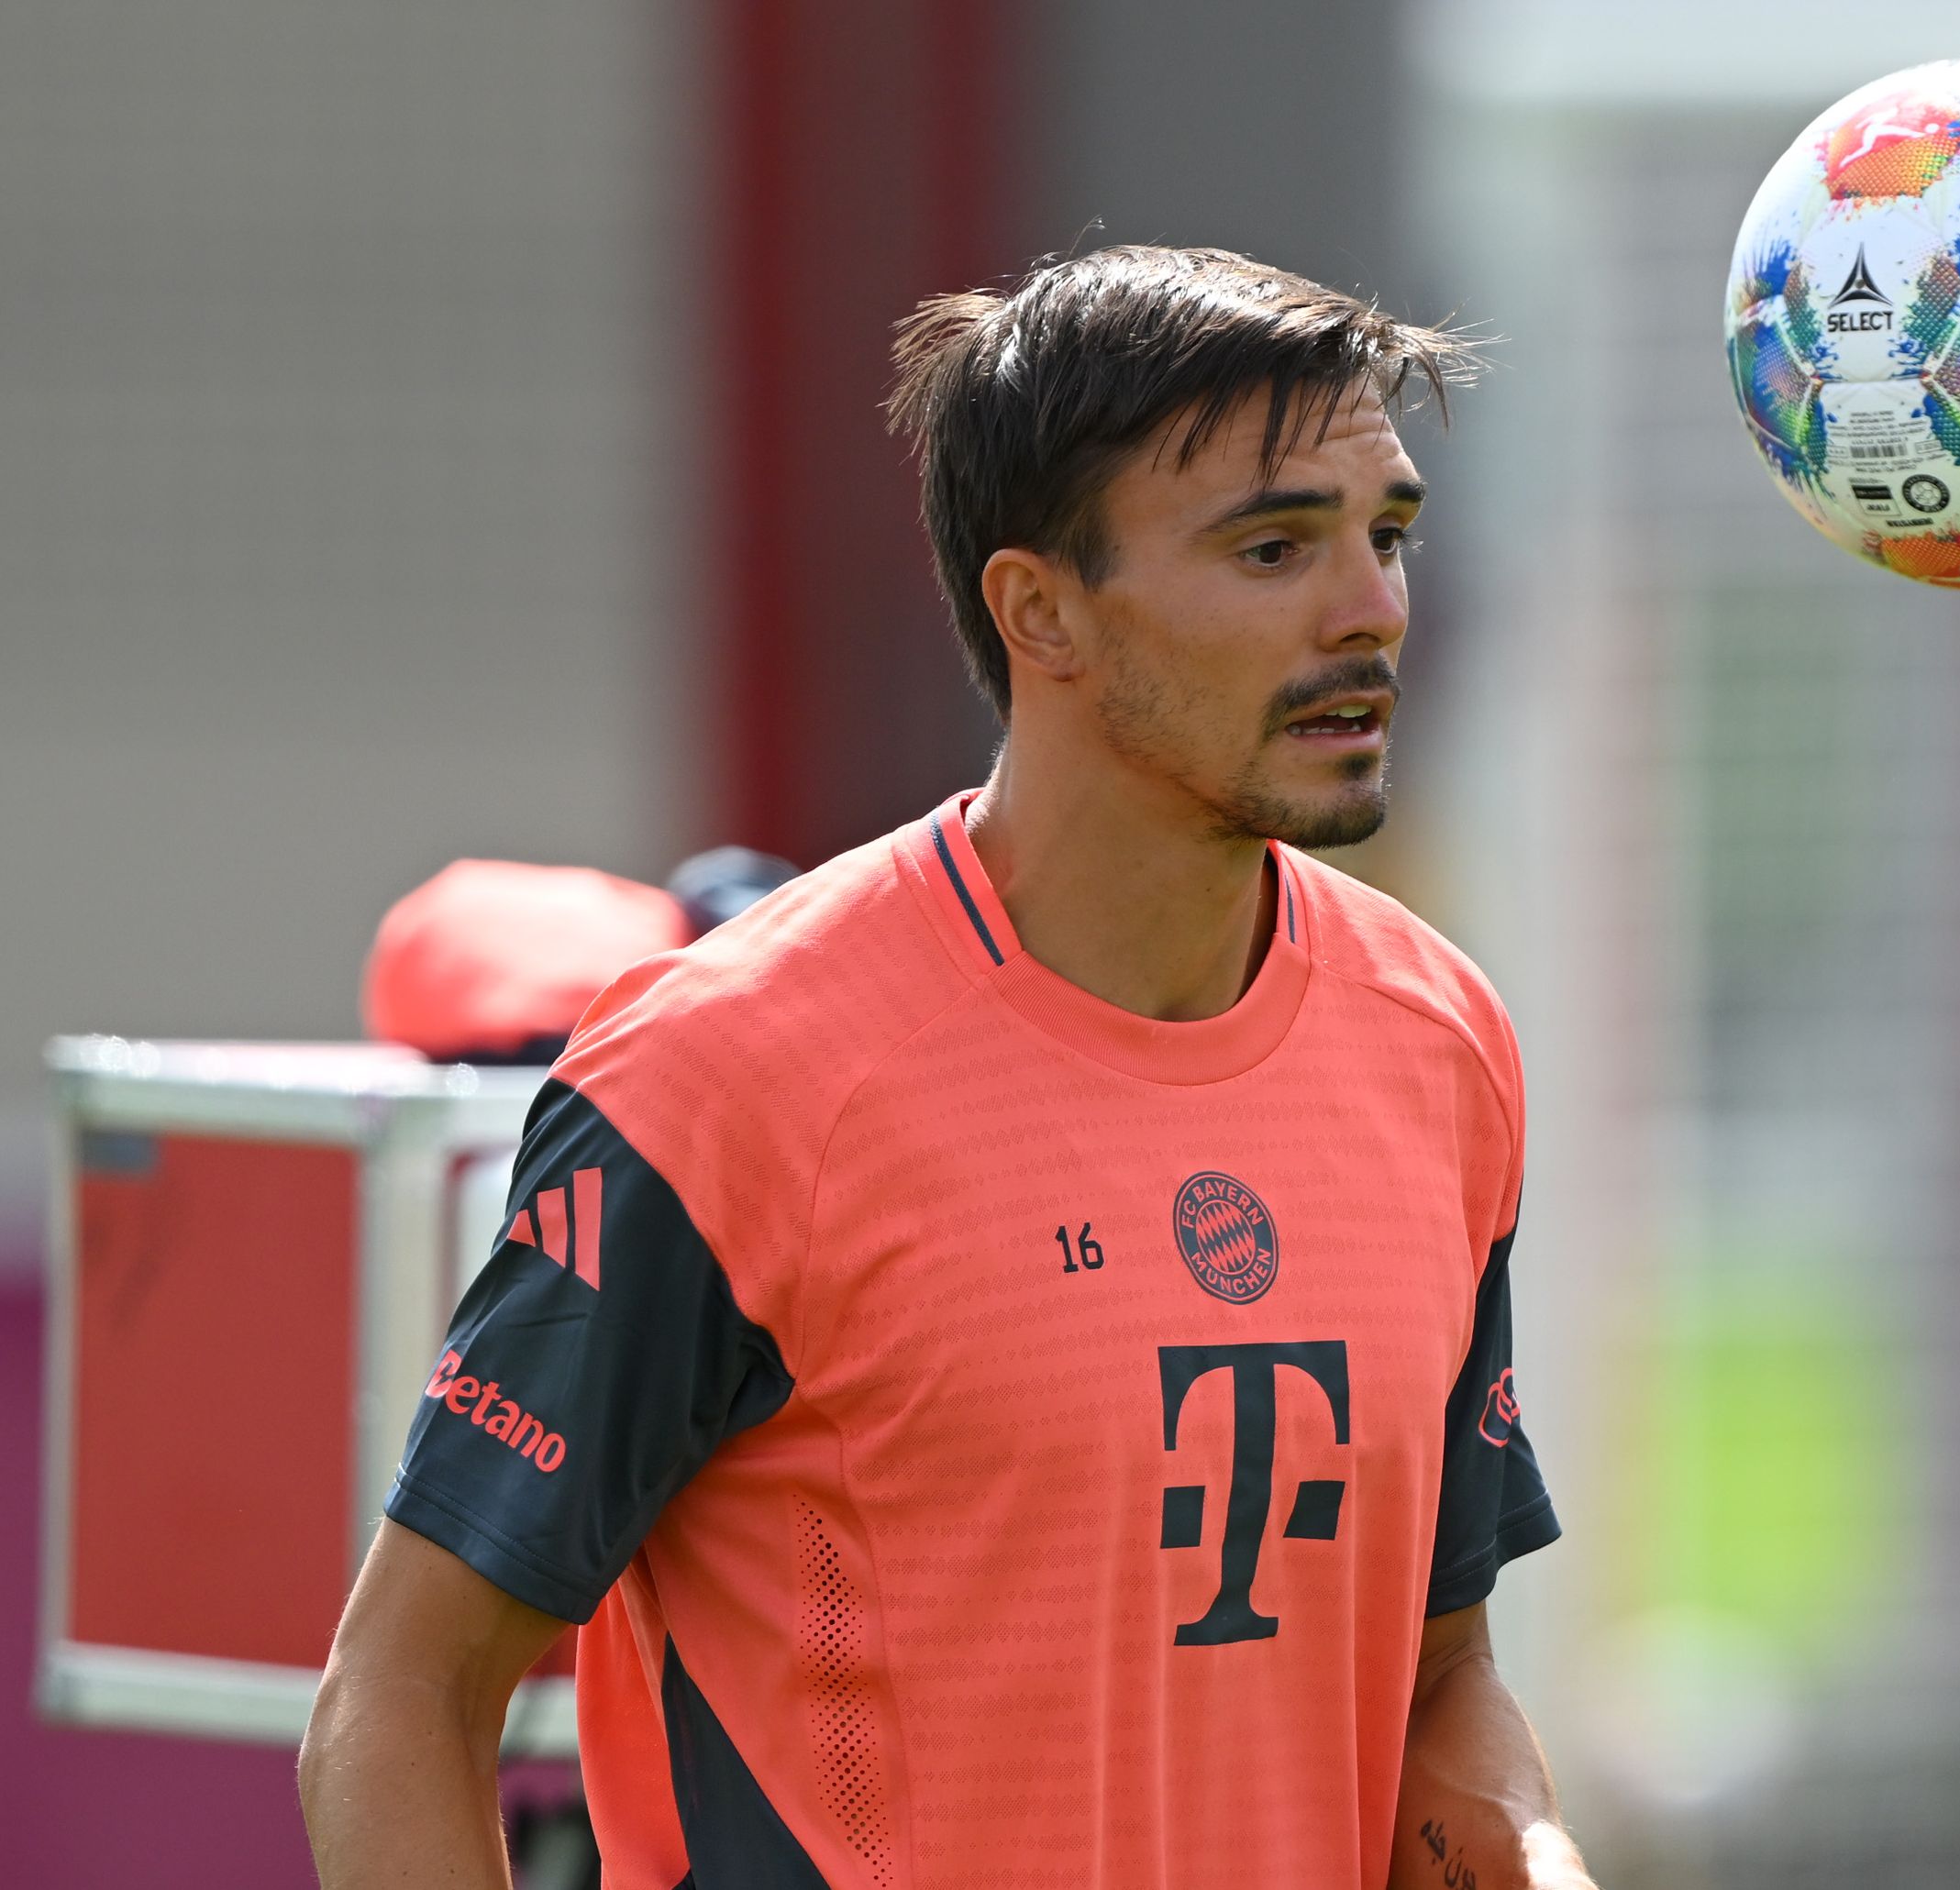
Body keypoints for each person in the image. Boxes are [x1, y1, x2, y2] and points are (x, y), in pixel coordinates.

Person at [301, 246, 1590, 1889]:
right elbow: (401, 1698)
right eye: (1275, 548)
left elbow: (1438, 1675)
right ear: (1039, 609)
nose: (1371, 611)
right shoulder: (727, 1075)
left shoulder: (1441, 1041)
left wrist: (1533, 1857)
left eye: (1386, 536)